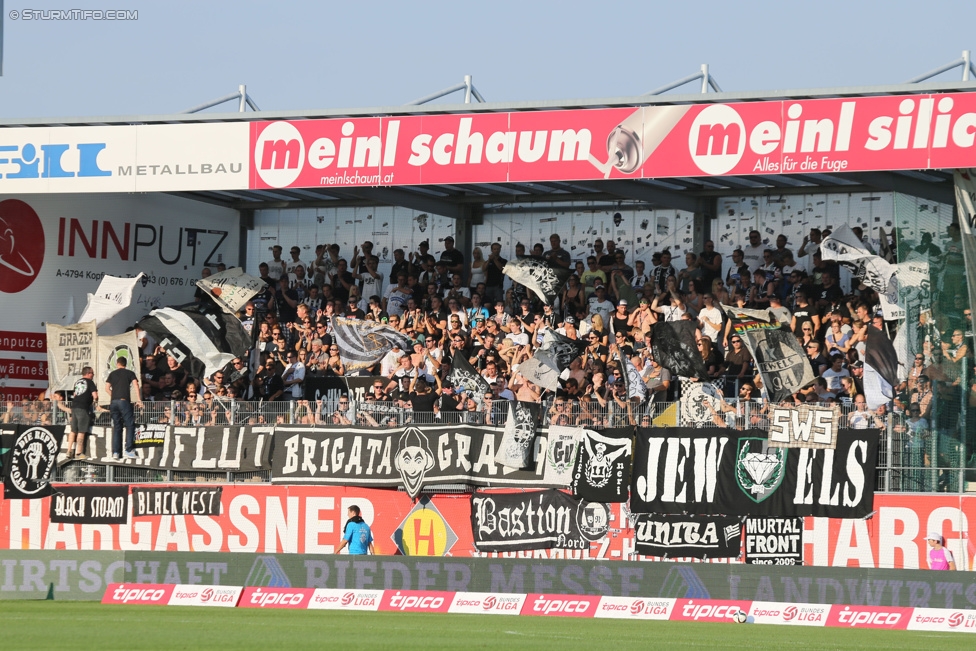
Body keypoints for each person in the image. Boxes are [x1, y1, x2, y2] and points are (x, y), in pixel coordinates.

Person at [105, 357, 141, 459]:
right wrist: (139, 399)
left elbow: (106, 388)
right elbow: (136, 385)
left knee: (117, 427)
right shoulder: (130, 373)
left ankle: (116, 452)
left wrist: (114, 395)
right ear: (126, 364)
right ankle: (129, 450)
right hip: (124, 401)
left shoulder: (112, 374)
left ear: (117, 364)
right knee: (129, 425)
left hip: (113, 402)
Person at [66, 366, 98, 460]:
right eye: (92, 373)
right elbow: (95, 396)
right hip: (83, 408)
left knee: (73, 430)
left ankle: (69, 451)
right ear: (88, 373)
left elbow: (75, 394)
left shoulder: (78, 382)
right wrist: (95, 402)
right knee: (81, 431)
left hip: (74, 407)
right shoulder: (90, 382)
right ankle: (78, 453)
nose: (93, 375)